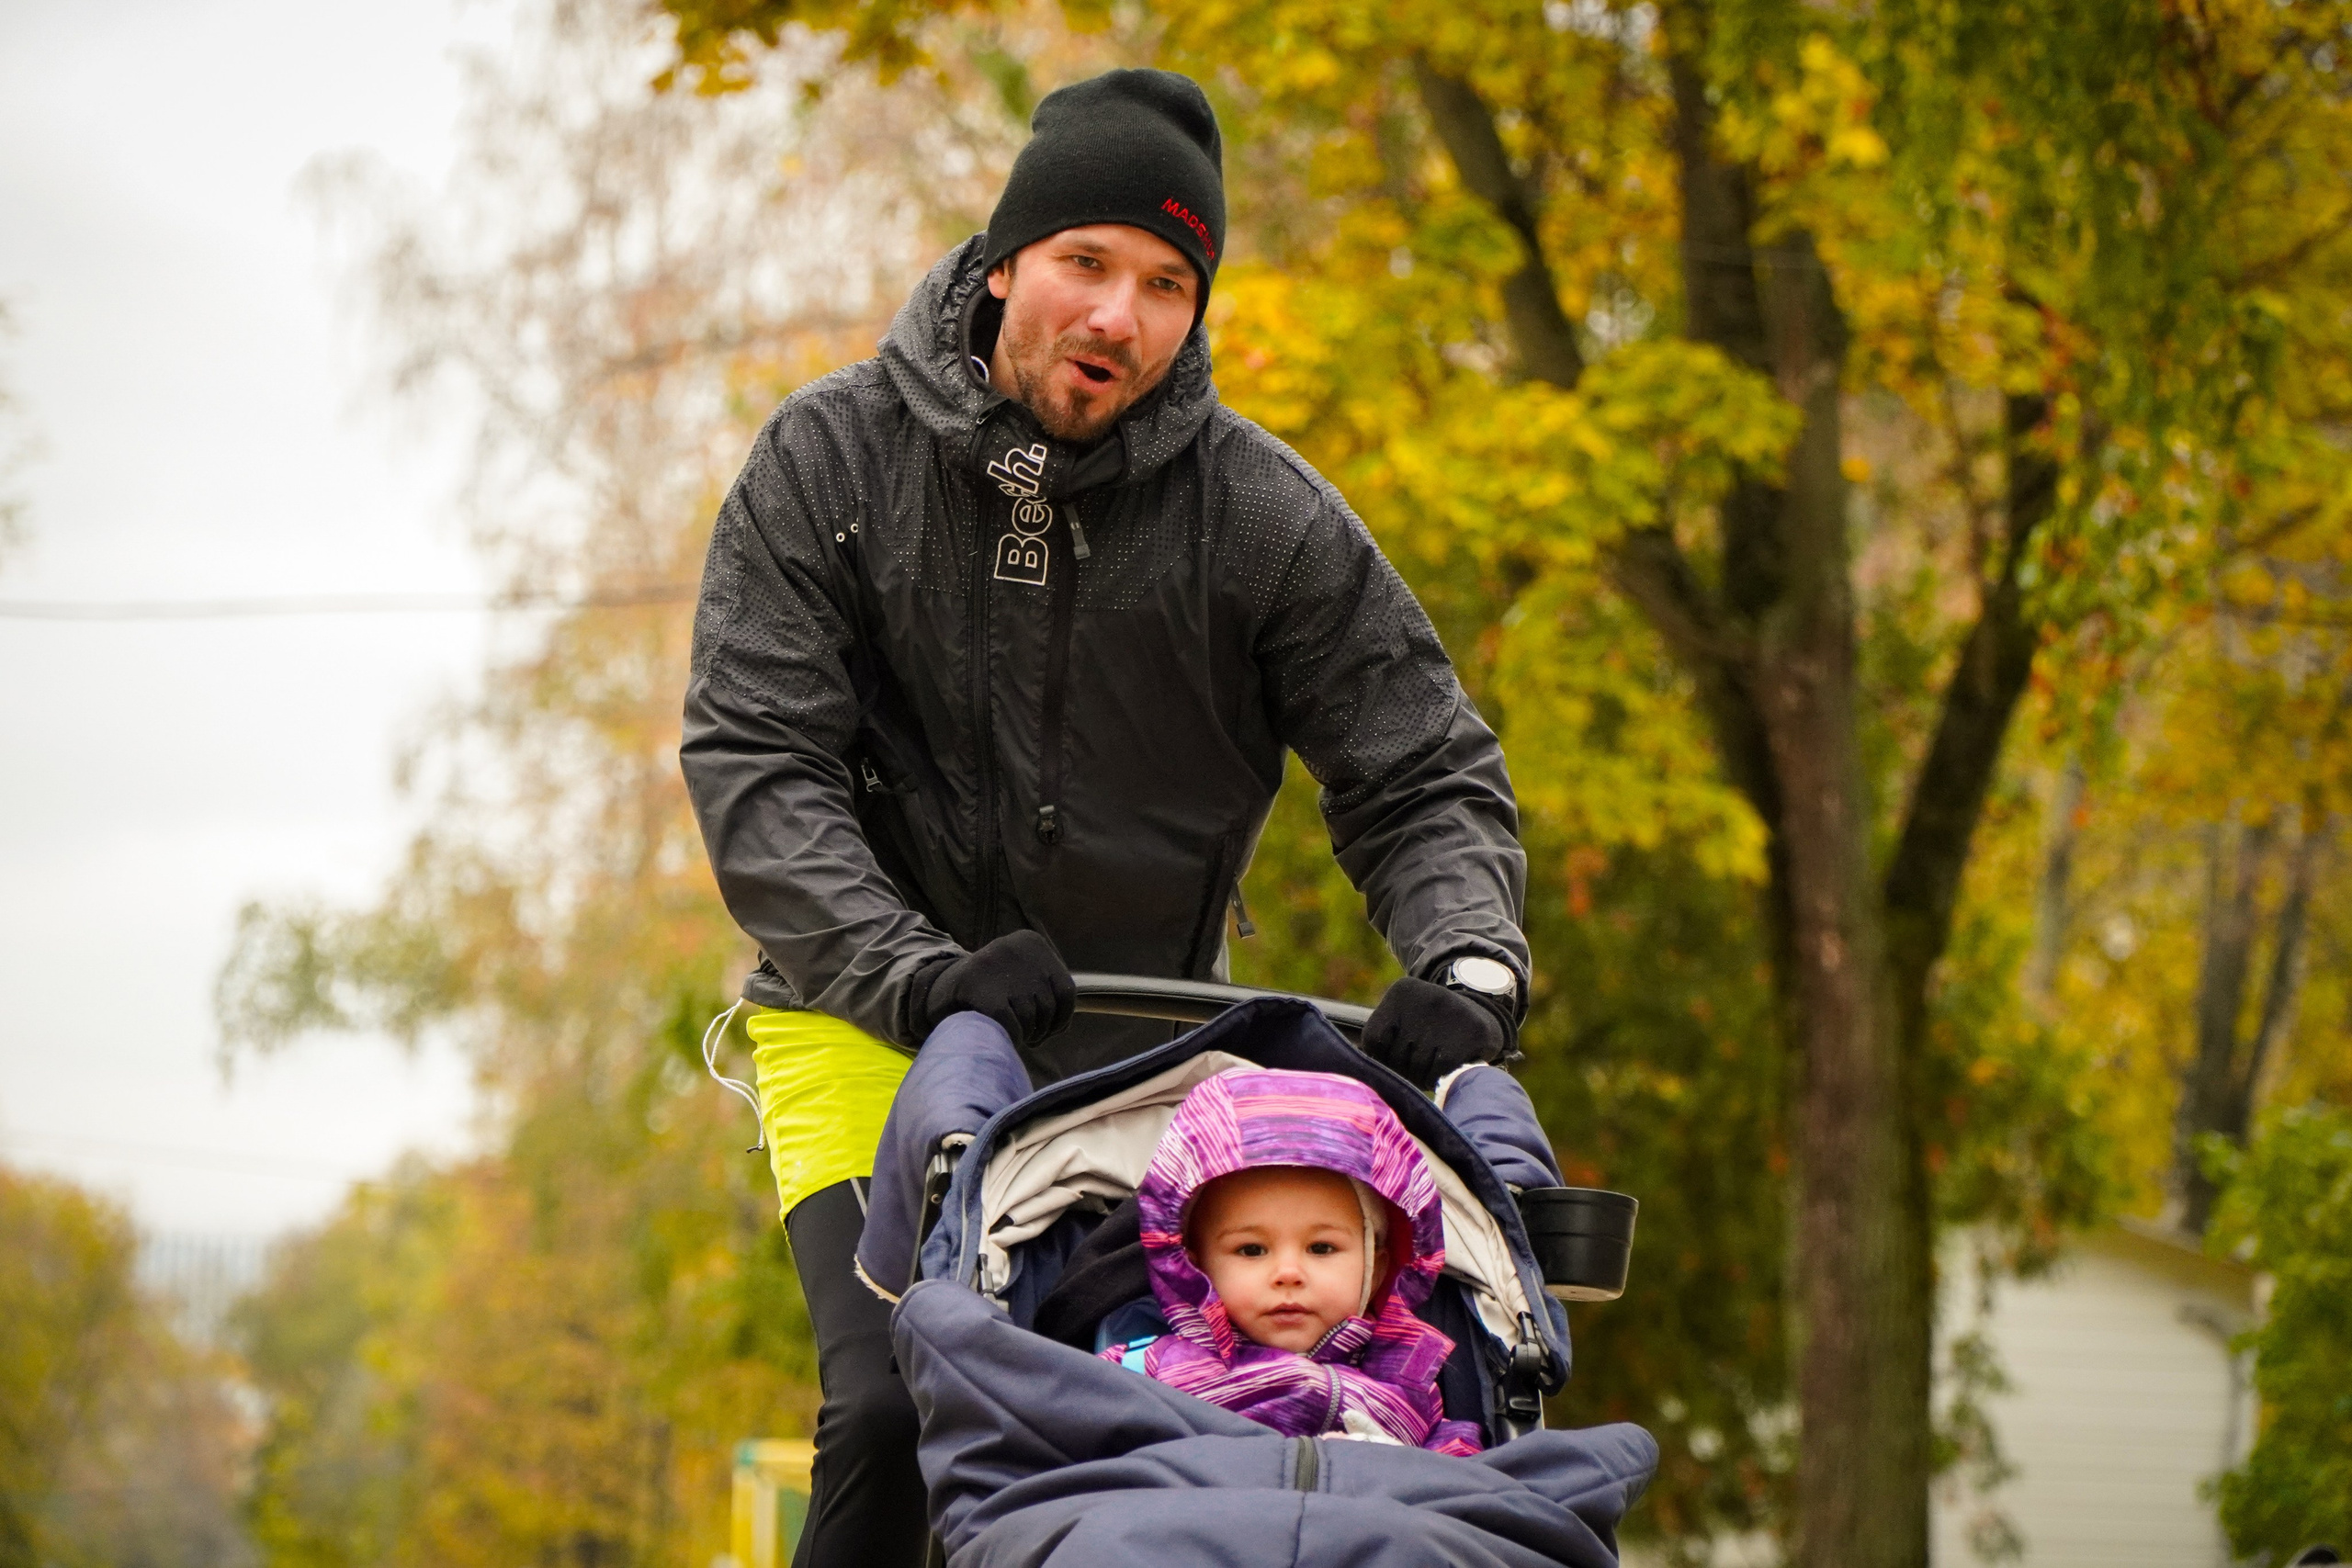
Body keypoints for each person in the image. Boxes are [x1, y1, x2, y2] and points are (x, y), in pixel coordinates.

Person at [681, 65, 1534, 1568]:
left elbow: (1419, 772)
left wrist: (1468, 965)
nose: (1117, 315)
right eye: (1085, 263)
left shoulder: (1261, 520)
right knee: (896, 1405)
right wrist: (918, 972)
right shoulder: (827, 466)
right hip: (864, 1018)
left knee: (1143, 1431)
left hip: (1133, 1057)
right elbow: (760, 768)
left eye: (1164, 283)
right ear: (1005, 259)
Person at [1097, 1067, 1484, 1457]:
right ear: (1194, 1268)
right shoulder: (1146, 1371)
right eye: (1251, 1250)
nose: (1288, 1274)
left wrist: (1402, 1466)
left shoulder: (1409, 1385)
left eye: (1321, 1248)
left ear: (1376, 1268)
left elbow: (1462, 1487)